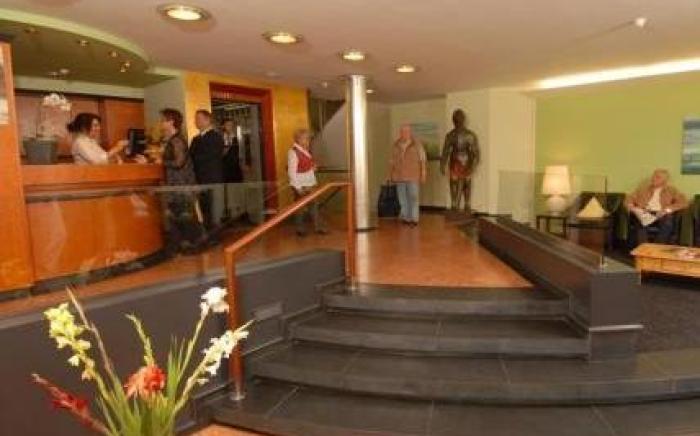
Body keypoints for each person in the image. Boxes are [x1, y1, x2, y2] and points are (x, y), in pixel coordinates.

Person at [159, 108, 203, 254]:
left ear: (171, 122)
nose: (161, 123)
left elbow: (179, 162)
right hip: (177, 184)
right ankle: (182, 246)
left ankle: (192, 246)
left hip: (182, 184)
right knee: (179, 216)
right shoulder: (173, 140)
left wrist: (161, 162)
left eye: (163, 120)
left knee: (186, 216)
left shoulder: (177, 140)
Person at [626, 169, 688, 245]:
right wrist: (631, 206)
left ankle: (657, 246)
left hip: (661, 213)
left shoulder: (672, 190)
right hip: (645, 212)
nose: (653, 178)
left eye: (657, 177)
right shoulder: (643, 189)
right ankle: (644, 247)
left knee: (668, 221)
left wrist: (667, 210)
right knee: (638, 221)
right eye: (653, 176)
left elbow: (683, 202)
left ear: (665, 180)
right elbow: (629, 198)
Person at [190, 110, 225, 231]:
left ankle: (215, 234)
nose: (196, 121)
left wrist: (196, 157)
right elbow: (191, 157)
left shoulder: (216, 137)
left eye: (199, 119)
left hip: (212, 179)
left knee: (214, 211)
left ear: (208, 120)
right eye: (195, 119)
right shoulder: (195, 139)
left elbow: (211, 156)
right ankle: (206, 233)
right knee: (203, 209)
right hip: (199, 179)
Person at [288, 128, 325, 236]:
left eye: (309, 139)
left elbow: (305, 167)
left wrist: (312, 168)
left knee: (314, 205)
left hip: (310, 182)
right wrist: (297, 187)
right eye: (306, 139)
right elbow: (291, 172)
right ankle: (300, 229)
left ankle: (318, 227)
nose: (308, 141)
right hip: (301, 184)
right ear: (299, 139)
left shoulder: (305, 151)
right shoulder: (293, 152)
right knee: (300, 208)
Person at [389, 124, 427, 226]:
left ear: (410, 133)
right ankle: (406, 218)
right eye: (402, 132)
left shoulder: (417, 144)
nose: (404, 134)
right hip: (399, 176)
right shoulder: (396, 145)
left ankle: (414, 219)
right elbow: (392, 161)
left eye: (406, 132)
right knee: (402, 198)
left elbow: (423, 160)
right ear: (400, 133)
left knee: (413, 197)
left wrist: (423, 173)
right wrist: (391, 174)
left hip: (413, 175)